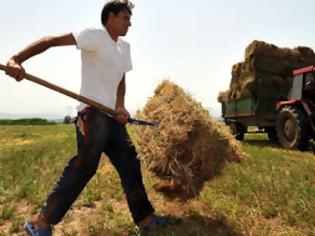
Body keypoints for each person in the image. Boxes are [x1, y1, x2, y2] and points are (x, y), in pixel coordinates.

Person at [5, 1, 174, 235]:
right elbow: (50, 41)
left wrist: (120, 105)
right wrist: (16, 59)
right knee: (84, 167)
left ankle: (145, 219)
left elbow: (121, 79)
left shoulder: (124, 47)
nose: (130, 23)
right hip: (92, 115)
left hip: (112, 118)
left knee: (130, 163)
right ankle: (40, 224)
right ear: (111, 17)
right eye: (126, 17)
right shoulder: (94, 36)